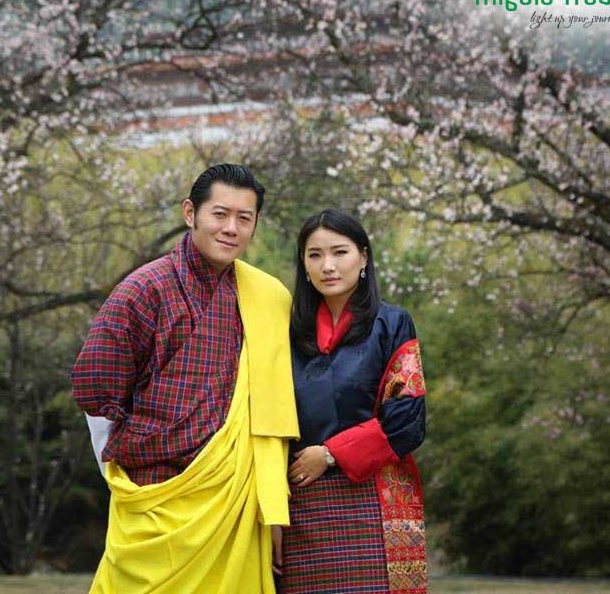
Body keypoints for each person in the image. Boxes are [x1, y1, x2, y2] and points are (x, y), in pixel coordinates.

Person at [70, 164, 298, 594]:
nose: (231, 228)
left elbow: (275, 407)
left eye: (244, 218)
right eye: (220, 214)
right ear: (190, 213)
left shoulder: (268, 297)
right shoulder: (144, 289)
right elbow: (95, 390)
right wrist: (129, 468)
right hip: (155, 494)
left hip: (235, 496)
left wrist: (272, 503)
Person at [277, 209, 427, 594]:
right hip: (301, 508)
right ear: (303, 265)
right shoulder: (284, 334)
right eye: (315, 255)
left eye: (339, 252)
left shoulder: (392, 324)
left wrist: (329, 454)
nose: (327, 266)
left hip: (376, 503)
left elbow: (407, 423)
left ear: (363, 257)